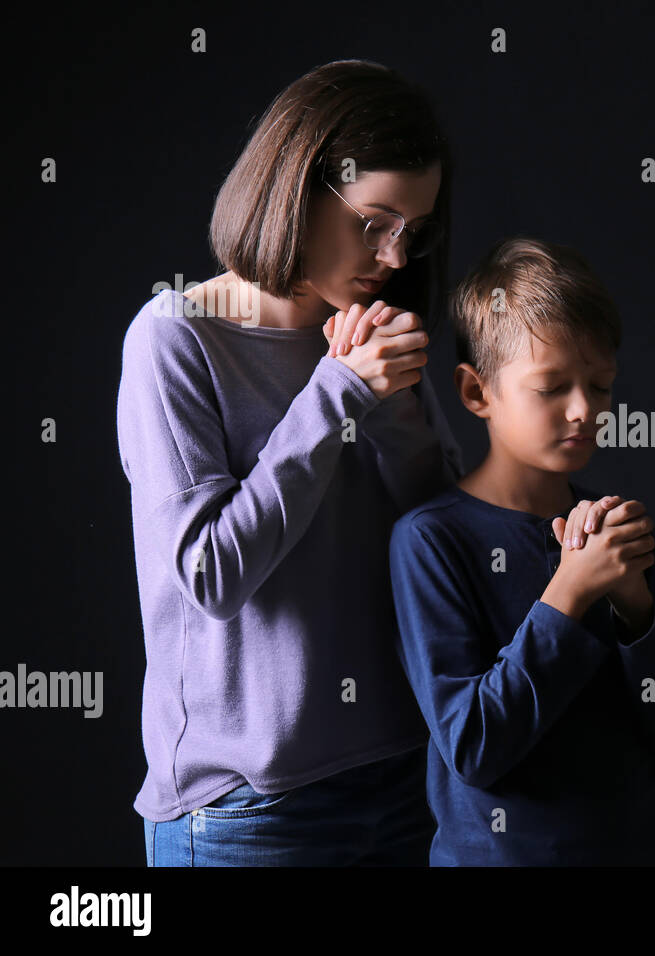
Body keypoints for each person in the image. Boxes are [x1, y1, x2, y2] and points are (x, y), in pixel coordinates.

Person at [117, 59, 467, 865]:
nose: (393, 253)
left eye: (413, 230)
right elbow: (211, 574)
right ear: (296, 190)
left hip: (408, 777)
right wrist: (337, 392)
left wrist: (394, 404)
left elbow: (442, 535)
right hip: (249, 810)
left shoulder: (365, 331)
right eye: (374, 221)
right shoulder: (175, 339)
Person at [388, 236, 655, 865]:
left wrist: (634, 607)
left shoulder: (616, 530)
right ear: (477, 392)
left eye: (601, 386)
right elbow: (475, 746)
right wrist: (570, 591)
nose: (584, 409)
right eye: (551, 386)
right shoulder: (432, 539)